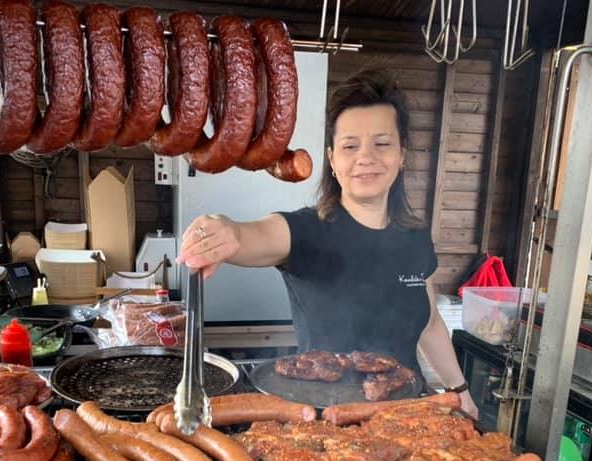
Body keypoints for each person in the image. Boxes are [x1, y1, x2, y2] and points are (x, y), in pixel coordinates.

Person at [177, 69, 478, 418]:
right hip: (325, 427)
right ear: (333, 160)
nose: (366, 157)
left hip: (407, 419)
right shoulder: (307, 230)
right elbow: (253, 234)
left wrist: (460, 392)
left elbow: (430, 325)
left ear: (402, 155)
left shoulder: (415, 237)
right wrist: (228, 230)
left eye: (382, 143)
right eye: (351, 146)